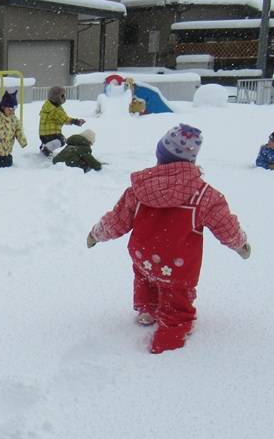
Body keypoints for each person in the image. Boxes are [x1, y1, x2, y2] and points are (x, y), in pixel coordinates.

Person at [87, 124, 251, 354]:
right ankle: (172, 331)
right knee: (176, 296)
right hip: (178, 264)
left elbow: (117, 220)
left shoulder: (139, 190)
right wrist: (240, 244)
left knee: (145, 278)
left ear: (159, 155)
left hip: (143, 255)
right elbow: (226, 227)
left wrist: (96, 233)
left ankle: (147, 309)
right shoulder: (205, 196)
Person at [39, 85, 85, 155]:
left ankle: (44, 146)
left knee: (51, 141)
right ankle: (47, 148)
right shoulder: (56, 110)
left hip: (43, 134)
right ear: (58, 97)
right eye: (62, 96)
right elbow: (65, 119)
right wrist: (76, 121)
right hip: (51, 134)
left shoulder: (47, 105)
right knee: (62, 140)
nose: (64, 98)